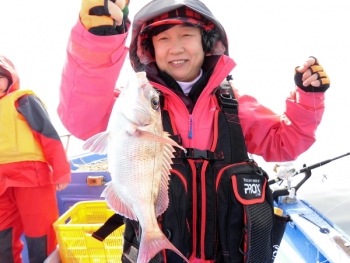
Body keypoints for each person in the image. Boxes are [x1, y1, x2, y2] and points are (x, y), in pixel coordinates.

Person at [57, 0, 330, 262]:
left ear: (206, 43)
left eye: (186, 35)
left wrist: (308, 97)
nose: (175, 48)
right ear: (149, 49)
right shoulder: (132, 104)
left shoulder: (233, 104)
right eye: (163, 39)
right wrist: (99, 39)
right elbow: (81, 118)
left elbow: (285, 143)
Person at [0, 55, 71, 263]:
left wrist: (61, 170)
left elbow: (48, 134)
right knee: (3, 238)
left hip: (32, 177)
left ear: (9, 77)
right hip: (2, 183)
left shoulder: (23, 99)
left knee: (40, 234)